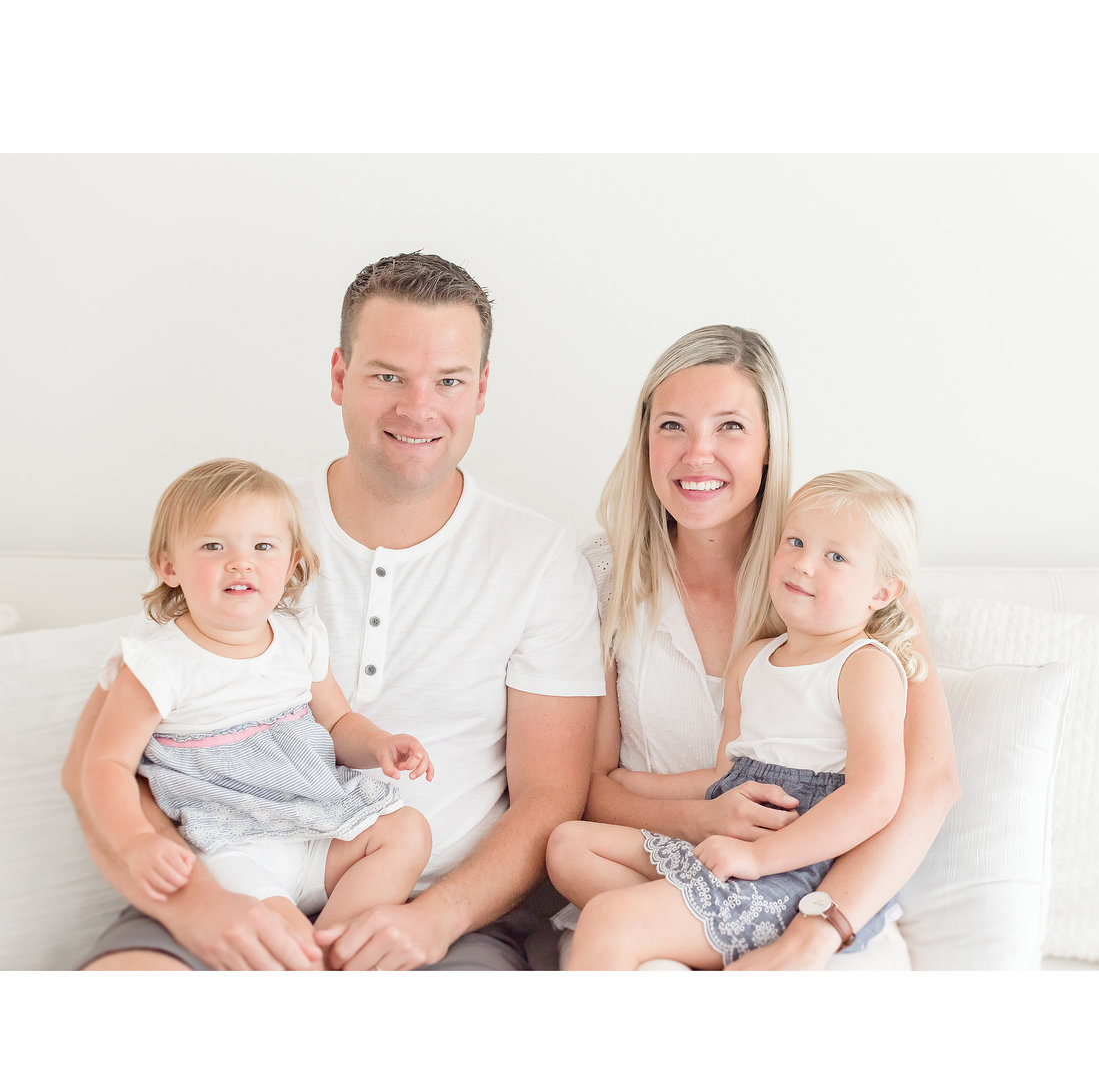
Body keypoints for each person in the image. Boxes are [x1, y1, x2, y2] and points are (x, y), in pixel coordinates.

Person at [63, 251, 605, 970]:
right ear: (339, 377)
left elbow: (551, 796)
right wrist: (193, 902)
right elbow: (95, 765)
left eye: (448, 380)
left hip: (440, 918)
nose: (419, 407)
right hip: (221, 893)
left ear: (479, 391)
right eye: (388, 375)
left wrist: (437, 920)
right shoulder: (242, 535)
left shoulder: (538, 558)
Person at [578, 325, 958, 970]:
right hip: (679, 876)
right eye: (672, 426)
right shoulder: (602, 578)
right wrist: (704, 823)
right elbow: (594, 789)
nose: (698, 455)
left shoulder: (854, 584)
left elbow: (927, 786)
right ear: (645, 441)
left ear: (768, 445)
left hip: (820, 904)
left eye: (730, 427)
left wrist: (818, 931)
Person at [554, 472, 920, 968]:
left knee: (608, 919)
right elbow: (726, 777)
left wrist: (759, 858)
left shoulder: (866, 665)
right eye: (795, 541)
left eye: (835, 556)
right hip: (732, 847)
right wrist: (637, 783)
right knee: (569, 845)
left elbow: (875, 797)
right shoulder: (753, 661)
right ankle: (700, 931)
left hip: (796, 869)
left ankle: (678, 927)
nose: (804, 563)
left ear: (882, 592)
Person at [80, 459, 435, 946]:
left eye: (262, 546)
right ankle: (308, 957)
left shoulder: (299, 637)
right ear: (169, 567)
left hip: (322, 830)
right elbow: (105, 765)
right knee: (278, 941)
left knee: (407, 830)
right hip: (235, 850)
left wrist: (378, 745)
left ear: (291, 564)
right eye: (213, 546)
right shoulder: (157, 664)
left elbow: (337, 722)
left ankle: (336, 946)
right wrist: (136, 842)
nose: (240, 562)